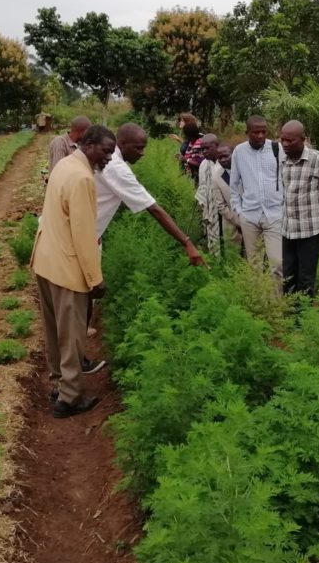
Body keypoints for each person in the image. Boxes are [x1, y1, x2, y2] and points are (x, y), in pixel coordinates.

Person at [31, 125, 116, 418]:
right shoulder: (82, 178)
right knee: (72, 335)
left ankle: (57, 383)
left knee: (54, 331)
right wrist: (95, 279)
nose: (108, 158)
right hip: (67, 267)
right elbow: (84, 234)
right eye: (105, 151)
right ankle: (69, 398)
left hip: (45, 259)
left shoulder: (64, 165)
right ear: (88, 144)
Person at [96, 123, 205, 267]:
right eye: (138, 147)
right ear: (122, 143)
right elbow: (154, 209)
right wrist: (187, 243)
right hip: (82, 237)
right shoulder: (116, 168)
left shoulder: (109, 158)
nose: (142, 153)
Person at [279, 120, 319, 296]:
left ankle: (303, 317)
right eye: (283, 140)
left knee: (306, 277)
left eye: (290, 140)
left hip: (310, 229)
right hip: (287, 229)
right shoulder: (282, 160)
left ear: (303, 139)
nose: (285, 144)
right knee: (288, 275)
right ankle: (289, 312)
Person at [229, 115, 284, 282]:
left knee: (277, 264)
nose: (260, 136)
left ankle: (276, 305)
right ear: (247, 132)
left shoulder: (277, 149)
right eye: (256, 132)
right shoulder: (239, 151)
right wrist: (239, 213)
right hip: (250, 216)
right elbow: (234, 185)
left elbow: (286, 178)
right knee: (254, 265)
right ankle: (258, 304)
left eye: (263, 132)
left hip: (274, 215)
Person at [195, 134, 242, 256]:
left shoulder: (237, 166)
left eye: (207, 148)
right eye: (202, 149)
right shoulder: (204, 166)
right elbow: (203, 188)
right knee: (225, 245)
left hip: (238, 214)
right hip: (219, 211)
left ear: (217, 146)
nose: (204, 152)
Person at [177, 113, 204, 183]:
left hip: (195, 174)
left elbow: (199, 161)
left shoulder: (197, 140)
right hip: (188, 172)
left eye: (182, 121)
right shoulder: (190, 139)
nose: (180, 122)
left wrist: (186, 159)